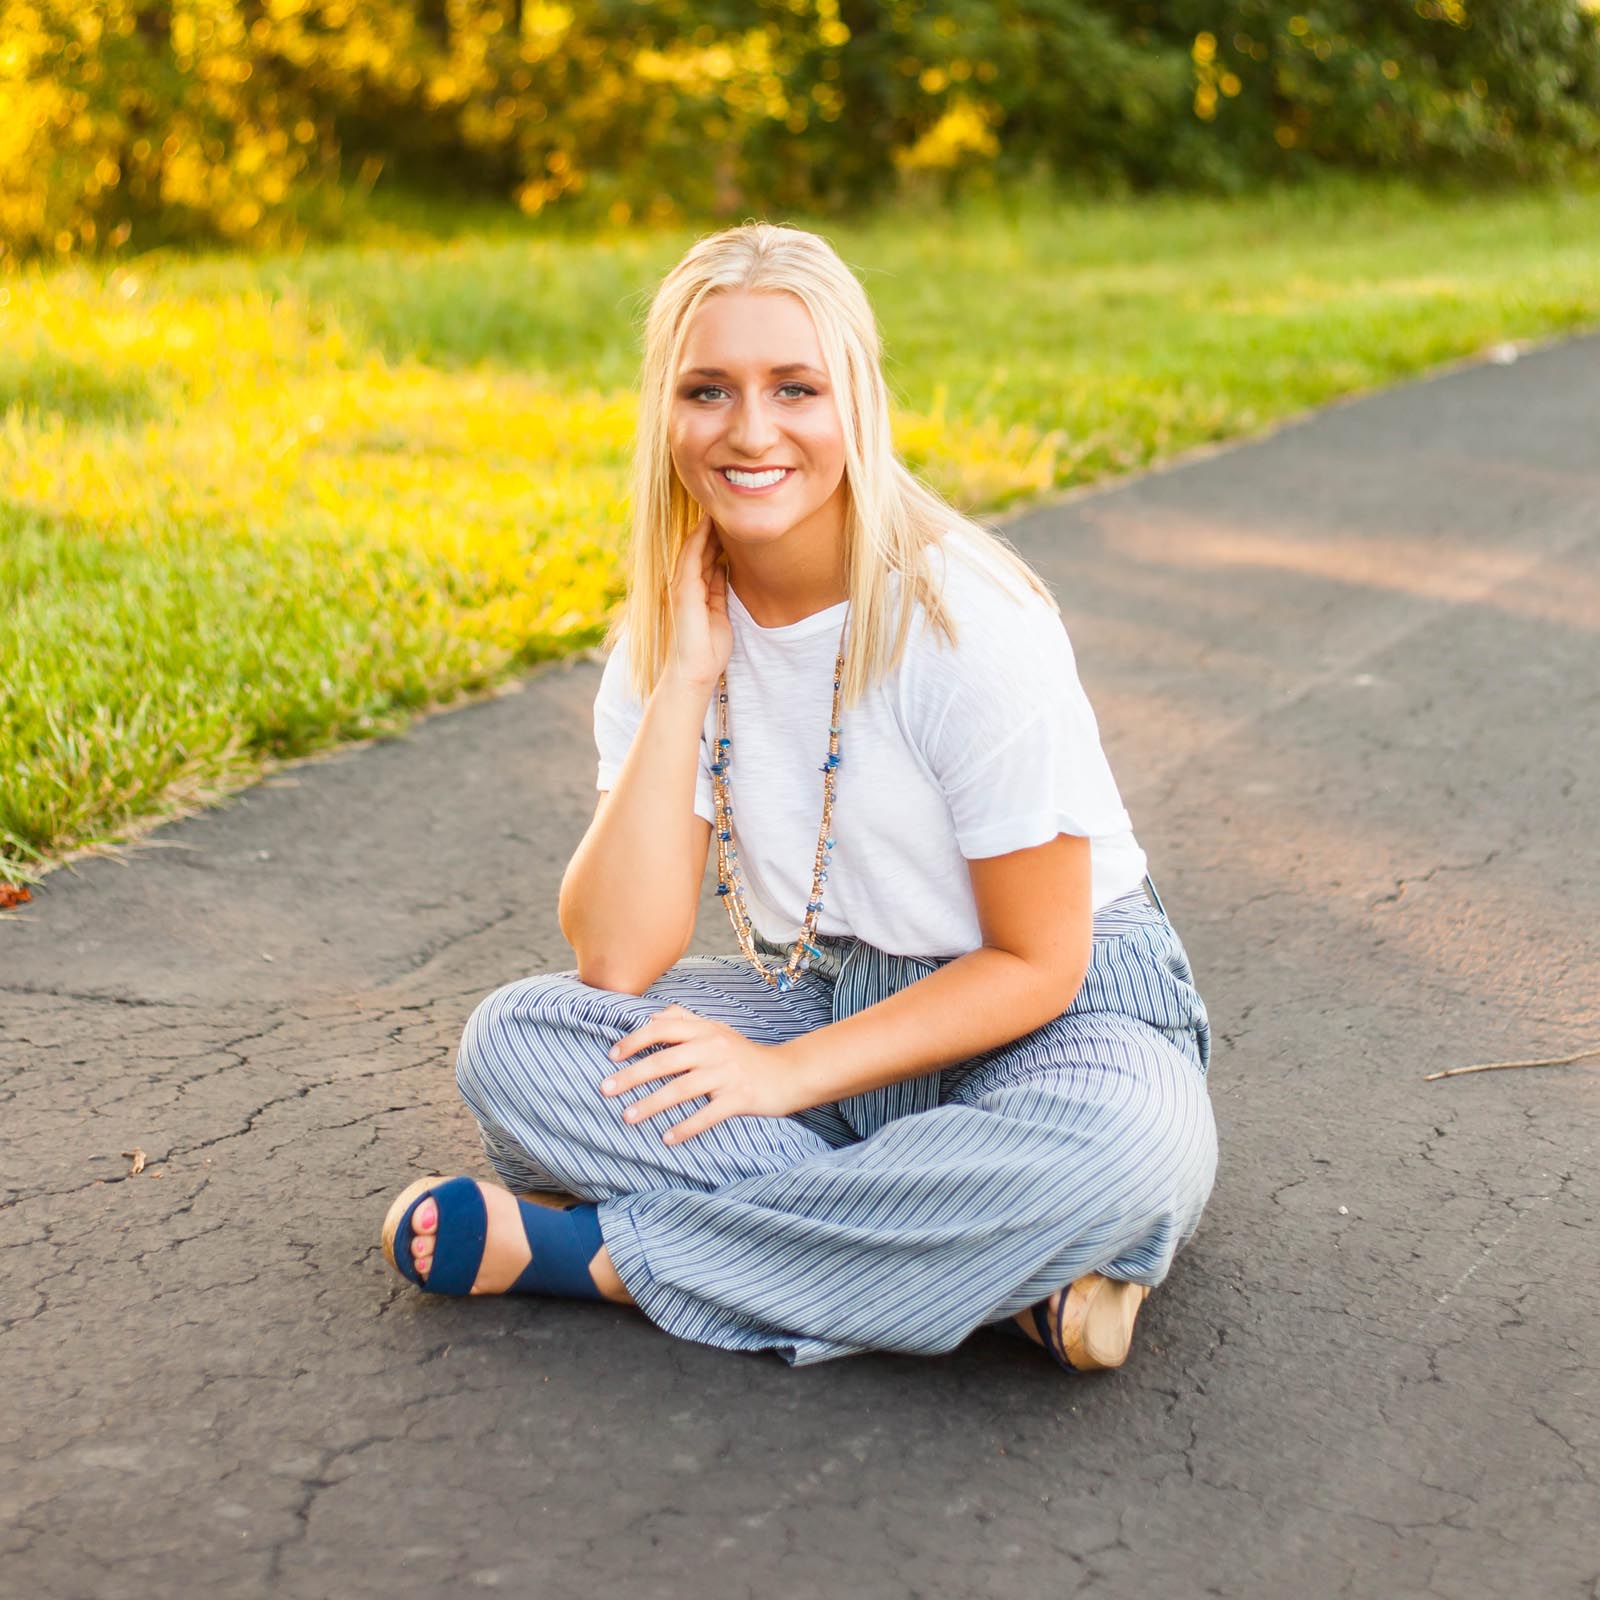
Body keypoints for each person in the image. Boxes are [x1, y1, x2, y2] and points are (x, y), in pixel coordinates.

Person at [380, 221, 1217, 1371]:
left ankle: (604, 1260)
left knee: (1116, 1154)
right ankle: (992, 1281)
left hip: (1067, 1023)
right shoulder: (661, 639)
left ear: (857, 402)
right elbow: (617, 960)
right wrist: (684, 677)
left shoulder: (967, 621)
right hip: (837, 998)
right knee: (518, 1045)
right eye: (708, 390)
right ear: (665, 414)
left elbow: (1039, 961)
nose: (751, 430)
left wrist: (778, 1077)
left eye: (795, 387)